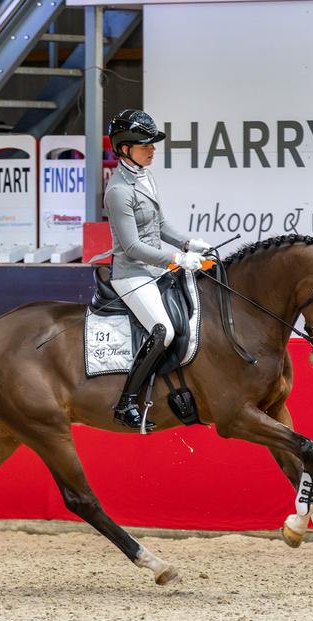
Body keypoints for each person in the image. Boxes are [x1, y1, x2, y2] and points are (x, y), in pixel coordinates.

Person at [104, 109, 210, 431]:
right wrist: (176, 259)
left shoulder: (145, 176)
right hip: (132, 274)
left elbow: (160, 224)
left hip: (155, 270)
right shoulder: (119, 191)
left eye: (152, 145)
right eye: (145, 145)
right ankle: (127, 402)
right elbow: (133, 247)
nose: (152, 150)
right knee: (162, 329)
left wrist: (188, 242)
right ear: (125, 149)